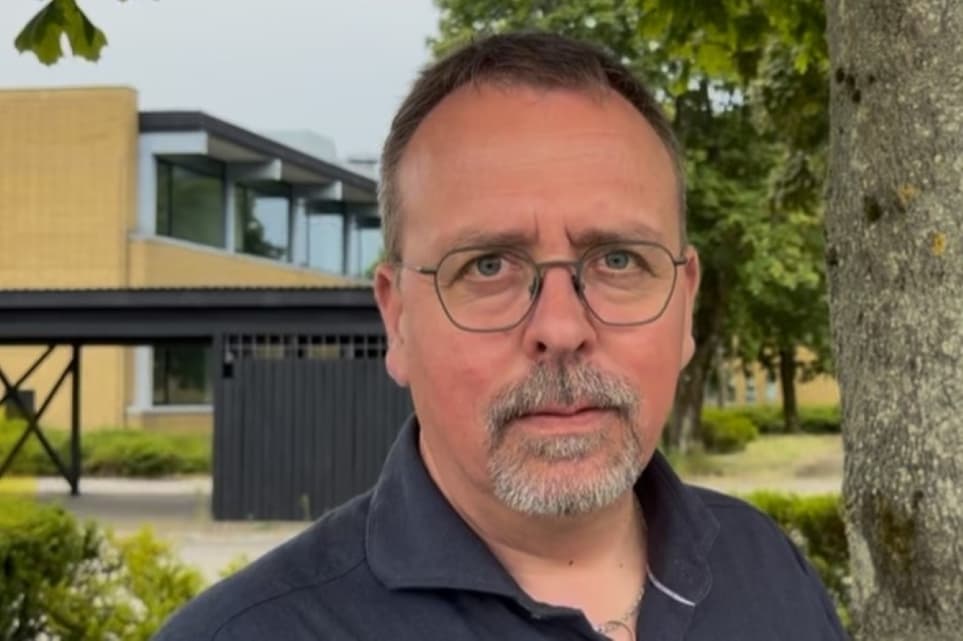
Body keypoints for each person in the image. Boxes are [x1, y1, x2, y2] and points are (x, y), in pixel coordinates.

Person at [154, 32, 847, 640]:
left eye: (617, 260)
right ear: (398, 319)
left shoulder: (766, 570)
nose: (561, 328)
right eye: (488, 266)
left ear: (685, 303)